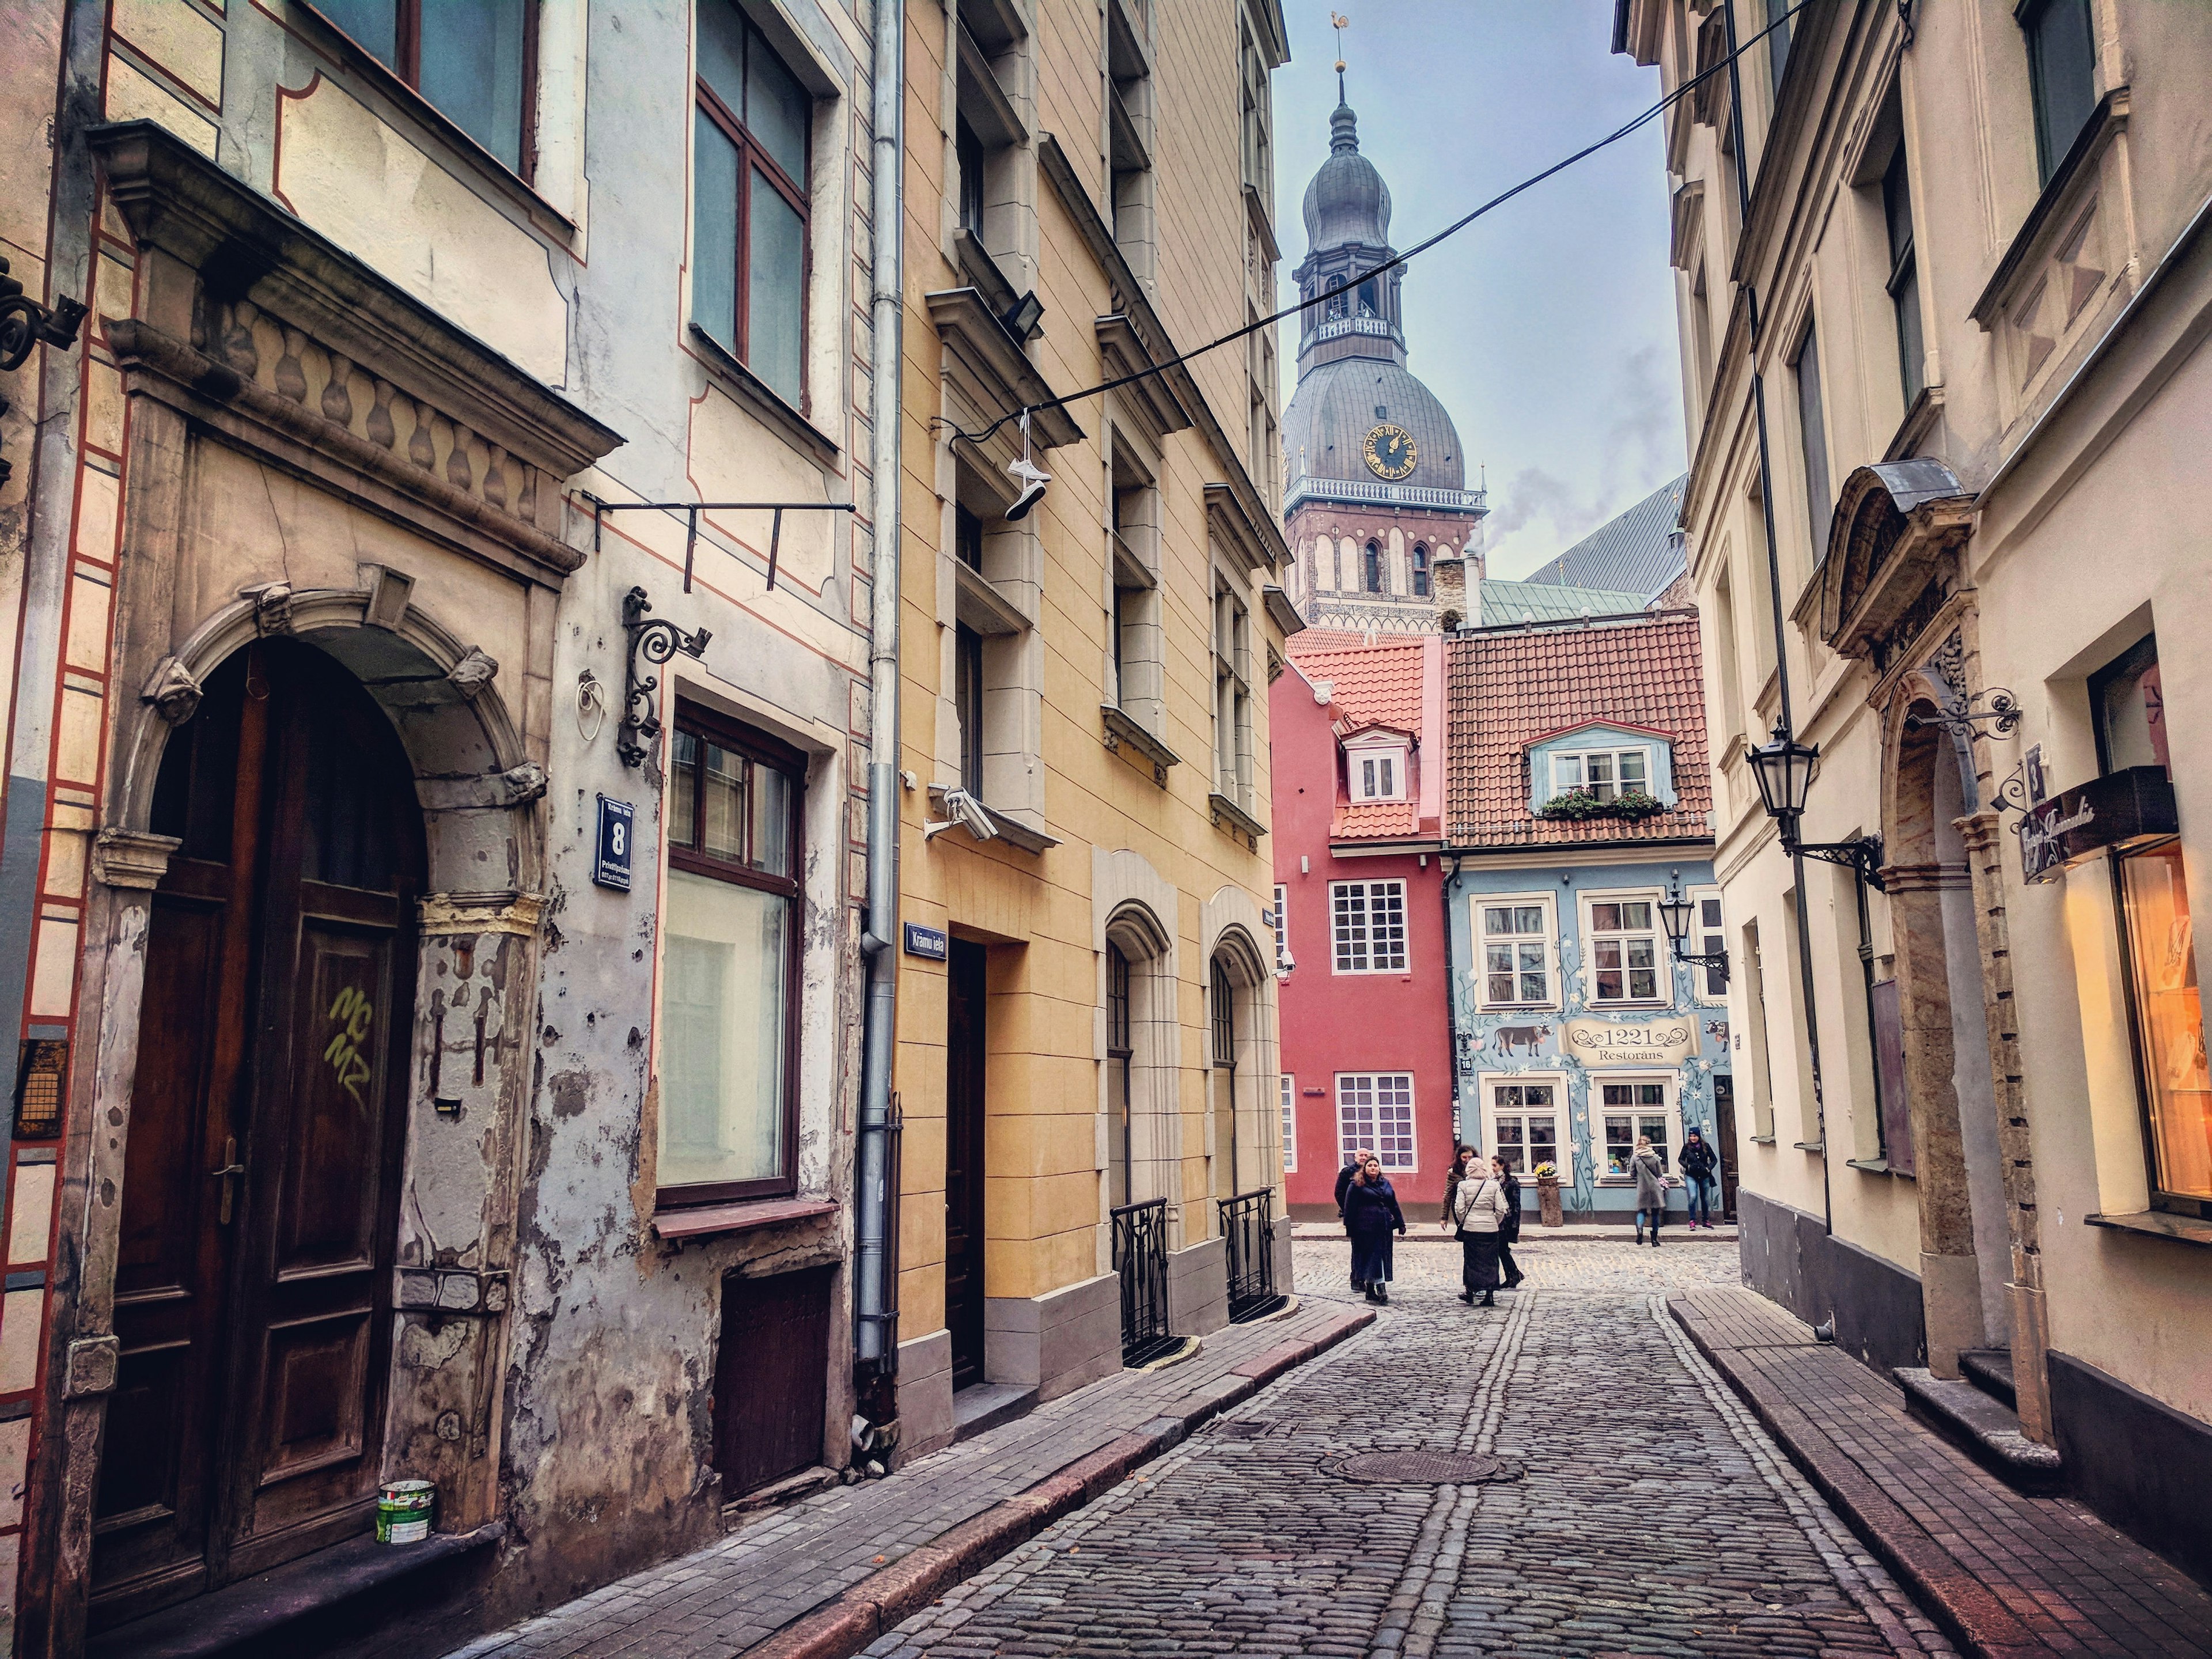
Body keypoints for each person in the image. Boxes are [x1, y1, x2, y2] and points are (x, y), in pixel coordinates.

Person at [1342, 1156, 1406, 1304]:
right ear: (1365, 1169)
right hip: (1365, 1228)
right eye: (1370, 1166)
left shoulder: (1385, 1184)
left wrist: (1401, 1223)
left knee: (1380, 1257)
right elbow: (1349, 1207)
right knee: (1373, 1258)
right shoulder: (1357, 1184)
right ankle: (1381, 1288)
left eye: (1375, 1166)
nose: (1373, 1168)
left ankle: (1370, 1290)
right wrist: (1350, 1228)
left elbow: (1393, 1204)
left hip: (1384, 1227)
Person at [1449, 1156, 1509, 1306]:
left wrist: (1465, 1221)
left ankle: (1471, 1291)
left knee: (1472, 1261)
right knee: (1490, 1261)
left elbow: (1459, 1209)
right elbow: (1501, 1209)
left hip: (1471, 1229)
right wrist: (1494, 1221)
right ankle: (1489, 1295)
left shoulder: (1463, 1186)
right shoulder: (1493, 1186)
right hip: (1490, 1229)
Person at [1336, 1148, 1374, 1287]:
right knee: (1357, 1247)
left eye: (1366, 1155)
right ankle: (1356, 1279)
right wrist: (1348, 1209)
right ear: (1355, 1157)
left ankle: (1367, 1278)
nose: (1363, 1157)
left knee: (1369, 1248)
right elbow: (1339, 1193)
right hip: (1355, 1216)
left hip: (1370, 1216)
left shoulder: (1373, 1172)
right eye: (1361, 1155)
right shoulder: (1347, 1172)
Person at [1491, 1154, 1525, 1289]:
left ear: (1502, 1166)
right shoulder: (1494, 1181)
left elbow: (1516, 1205)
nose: (1493, 1168)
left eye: (1495, 1165)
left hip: (1507, 1222)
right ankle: (1513, 1276)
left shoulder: (1511, 1182)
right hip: (1499, 1221)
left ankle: (1514, 1276)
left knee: (1502, 1249)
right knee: (1502, 1250)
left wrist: (1515, 1224)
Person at [1631, 1134, 1669, 1247]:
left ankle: (1640, 1232)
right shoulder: (1655, 1157)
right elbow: (1659, 1173)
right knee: (1655, 1213)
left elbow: (1632, 1173)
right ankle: (1654, 1240)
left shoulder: (1635, 1157)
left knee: (1641, 1211)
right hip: (1654, 1187)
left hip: (1642, 1187)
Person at [1679, 1128, 1719, 1230]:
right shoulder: (1686, 1147)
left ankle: (1706, 1221)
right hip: (1691, 1176)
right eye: (1691, 1136)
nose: (1693, 1138)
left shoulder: (1706, 1146)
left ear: (1699, 1136)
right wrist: (1687, 1166)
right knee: (1693, 1197)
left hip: (1704, 1176)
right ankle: (1692, 1221)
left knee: (1705, 1199)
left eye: (1695, 1136)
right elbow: (1681, 1159)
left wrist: (1708, 1169)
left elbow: (1714, 1160)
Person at [1440, 1145, 1482, 1229]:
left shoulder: (1480, 1170)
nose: (1467, 1160)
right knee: (1464, 1232)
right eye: (1464, 1157)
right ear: (1459, 1158)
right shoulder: (1453, 1172)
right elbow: (1448, 1194)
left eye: (1470, 1157)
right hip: (1460, 1206)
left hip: (1477, 1205)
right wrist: (1444, 1217)